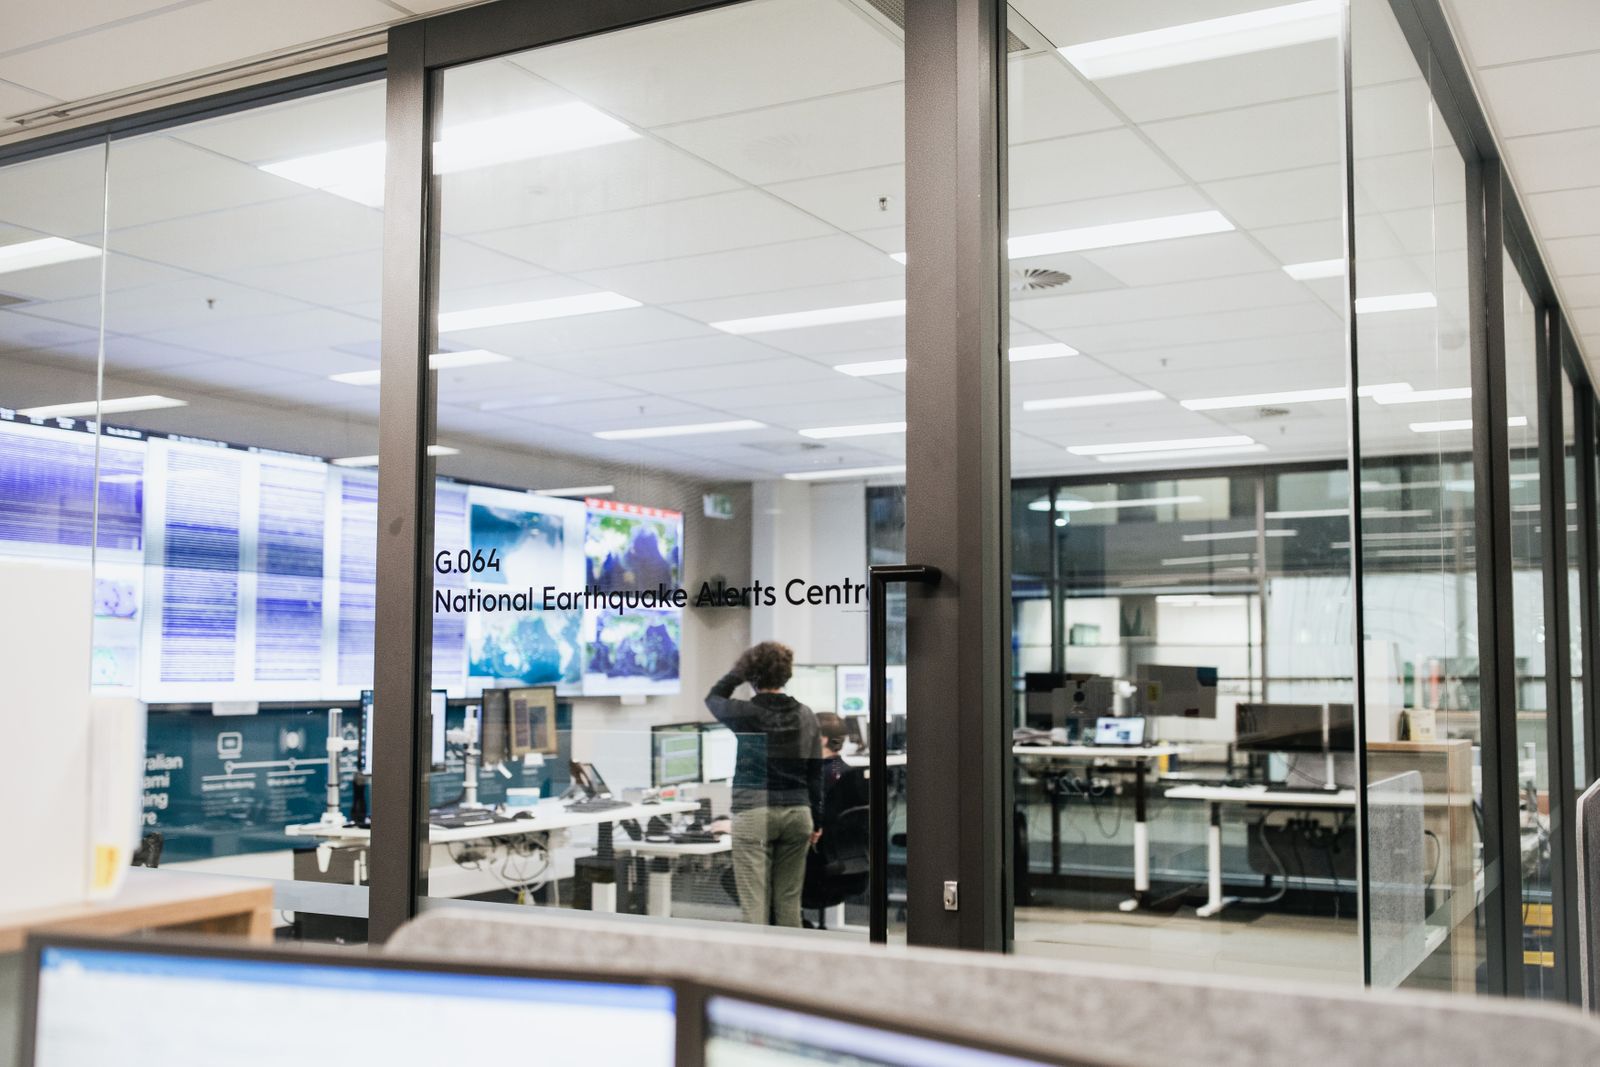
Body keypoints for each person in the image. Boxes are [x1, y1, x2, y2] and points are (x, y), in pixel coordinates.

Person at [705, 641, 822, 927]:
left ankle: (757, 956)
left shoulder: (745, 713)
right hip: (798, 813)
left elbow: (714, 697)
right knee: (789, 901)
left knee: (755, 904)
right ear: (787, 674)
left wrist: (739, 672)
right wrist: (817, 821)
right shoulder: (806, 714)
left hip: (754, 813)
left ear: (752, 675)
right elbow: (815, 772)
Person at [802, 712, 870, 921]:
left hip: (816, 876)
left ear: (822, 740)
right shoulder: (847, 772)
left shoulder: (816, 778)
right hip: (852, 870)